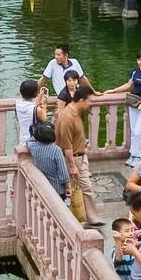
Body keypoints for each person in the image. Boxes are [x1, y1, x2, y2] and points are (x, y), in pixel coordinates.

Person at [53, 88, 92, 224]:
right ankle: (73, 219)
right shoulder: (68, 117)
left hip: (80, 155)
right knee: (76, 189)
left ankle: (90, 218)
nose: (90, 104)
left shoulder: (75, 113)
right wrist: (72, 166)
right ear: (81, 100)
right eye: (89, 101)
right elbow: (67, 145)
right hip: (74, 158)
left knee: (85, 189)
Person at [25, 118, 70, 198]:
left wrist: (37, 134)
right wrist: (68, 186)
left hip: (43, 187)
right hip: (58, 188)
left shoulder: (34, 148)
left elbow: (29, 141)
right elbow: (63, 173)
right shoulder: (56, 150)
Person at [13, 79, 43, 144]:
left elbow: (30, 107)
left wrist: (39, 97)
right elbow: (44, 120)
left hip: (23, 140)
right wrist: (45, 106)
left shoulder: (18, 104)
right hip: (34, 142)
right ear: (35, 94)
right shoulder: (37, 109)